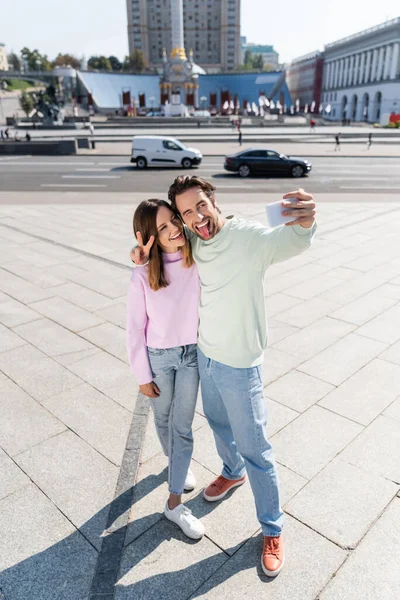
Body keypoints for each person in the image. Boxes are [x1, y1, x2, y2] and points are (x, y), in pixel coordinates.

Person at [132, 177, 317, 577]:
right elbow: (161, 257)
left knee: (257, 449)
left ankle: (272, 528)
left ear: (212, 200)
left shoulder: (248, 237)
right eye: (186, 213)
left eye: (201, 206)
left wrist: (306, 220)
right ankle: (231, 473)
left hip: (240, 363)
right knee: (217, 424)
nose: (198, 218)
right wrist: (138, 254)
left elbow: (292, 242)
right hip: (206, 358)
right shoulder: (194, 242)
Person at [126, 199, 205, 541]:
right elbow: (134, 328)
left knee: (183, 425)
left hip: (191, 356)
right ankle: (176, 462)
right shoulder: (143, 274)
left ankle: (173, 504)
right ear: (150, 237)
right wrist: (142, 375)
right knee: (162, 418)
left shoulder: (198, 258)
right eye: (162, 228)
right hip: (158, 357)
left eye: (174, 220)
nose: (174, 229)